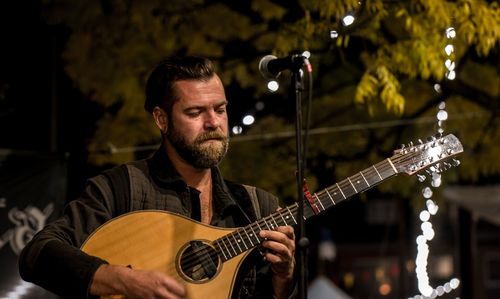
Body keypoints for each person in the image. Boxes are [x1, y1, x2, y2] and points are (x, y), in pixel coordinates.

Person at [19, 56, 296, 299]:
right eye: (195, 112)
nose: (213, 122)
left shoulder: (257, 207)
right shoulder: (121, 188)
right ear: (161, 119)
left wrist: (282, 279)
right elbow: (37, 254)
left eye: (220, 109)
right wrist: (122, 280)